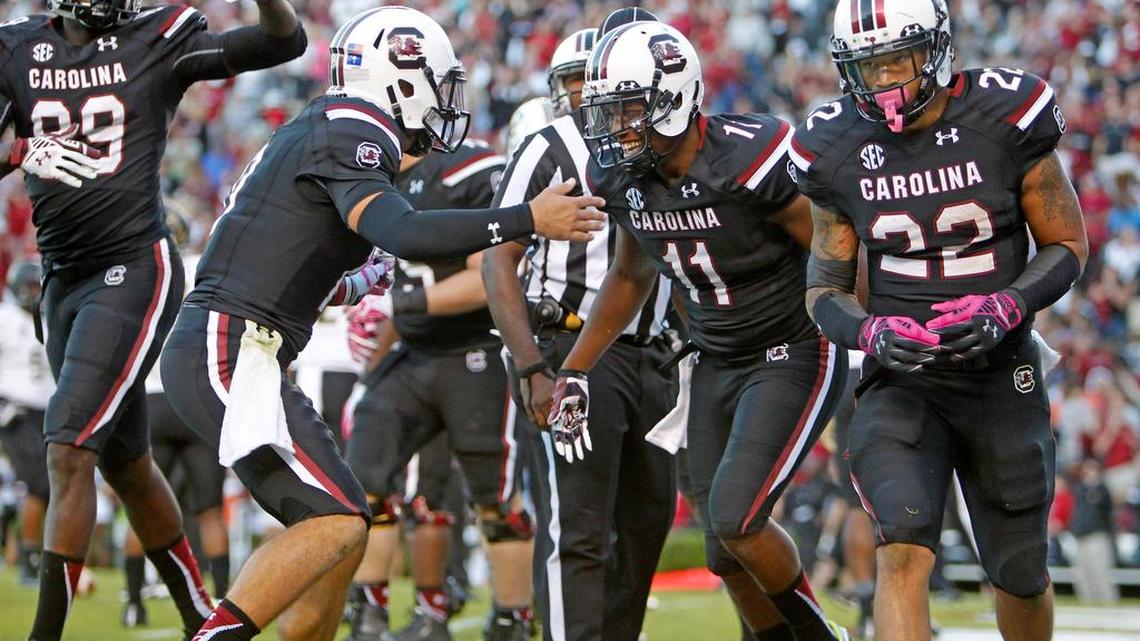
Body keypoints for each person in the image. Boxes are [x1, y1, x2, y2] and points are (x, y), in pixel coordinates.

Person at [160, 7, 606, 640]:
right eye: (438, 81)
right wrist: (526, 218)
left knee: (343, 530)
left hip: (241, 345)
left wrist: (349, 279)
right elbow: (406, 232)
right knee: (336, 521)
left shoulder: (329, 128)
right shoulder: (352, 127)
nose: (447, 100)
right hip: (229, 346)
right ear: (400, 79)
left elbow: (289, 256)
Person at [0, 0, 306, 638]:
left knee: (66, 447)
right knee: (126, 465)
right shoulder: (19, 46)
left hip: (133, 265)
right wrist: (20, 149)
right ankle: (200, 615)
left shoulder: (153, 39)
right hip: (63, 277)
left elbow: (282, 41)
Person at [793, 0, 1088, 639]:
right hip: (902, 378)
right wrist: (869, 331)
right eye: (864, 67)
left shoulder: (1005, 115)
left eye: (894, 59)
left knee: (1019, 570)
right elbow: (823, 288)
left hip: (998, 373)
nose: (880, 81)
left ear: (935, 48)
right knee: (901, 546)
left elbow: (1068, 244)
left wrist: (1008, 304)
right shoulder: (832, 144)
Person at [546, 21, 850, 641]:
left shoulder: (751, 154)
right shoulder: (624, 177)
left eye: (628, 108)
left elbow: (832, 244)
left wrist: (873, 325)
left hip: (791, 347)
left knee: (740, 520)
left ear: (673, 97)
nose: (615, 126)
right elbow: (630, 274)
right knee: (722, 551)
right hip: (714, 359)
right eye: (609, 111)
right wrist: (575, 368)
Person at [482, 13, 678, 641]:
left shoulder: (675, 143)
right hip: (573, 348)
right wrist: (533, 366)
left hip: (655, 356)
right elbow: (498, 257)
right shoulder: (549, 145)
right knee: (579, 530)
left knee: (647, 526)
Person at [342, 138, 537, 641]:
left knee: (495, 501)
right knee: (364, 485)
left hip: (474, 351)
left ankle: (513, 619)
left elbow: (488, 278)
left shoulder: (470, 167)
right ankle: (370, 612)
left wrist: (402, 304)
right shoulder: (380, 172)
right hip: (412, 352)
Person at [0, 261, 52, 586]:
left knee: (45, 487)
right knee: (38, 485)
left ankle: (26, 553)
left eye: (38, 288)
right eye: (29, 287)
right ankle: (30, 560)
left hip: (45, 413)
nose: (33, 294)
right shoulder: (5, 318)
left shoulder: (48, 321)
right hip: (14, 410)